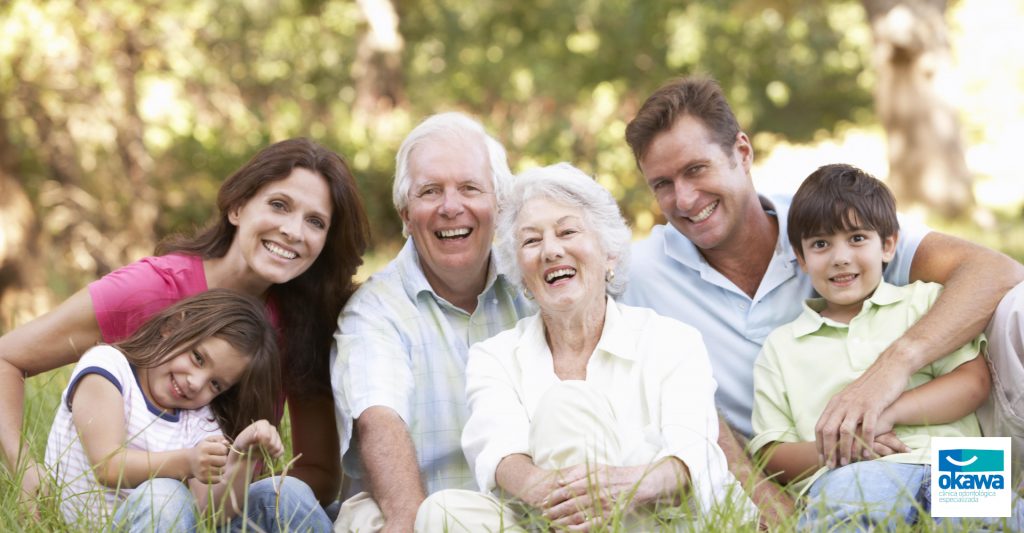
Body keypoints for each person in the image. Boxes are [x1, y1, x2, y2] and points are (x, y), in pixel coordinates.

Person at [621, 76, 1024, 519]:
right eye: (662, 184)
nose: (684, 198)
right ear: (800, 255)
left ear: (742, 153)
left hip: (954, 457)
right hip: (842, 471)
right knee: (855, 500)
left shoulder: (829, 220)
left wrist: (890, 374)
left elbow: (997, 272)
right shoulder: (636, 274)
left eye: (696, 169)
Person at [0, 138, 369, 531]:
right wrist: (23, 465)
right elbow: (7, 357)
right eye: (279, 205)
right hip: (135, 512)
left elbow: (317, 473)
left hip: (216, 507)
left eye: (316, 221)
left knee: (295, 499)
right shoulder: (150, 291)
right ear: (238, 207)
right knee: (164, 497)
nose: (293, 231)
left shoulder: (302, 320)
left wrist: (237, 474)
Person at [415, 163, 756, 532]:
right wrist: (556, 491)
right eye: (531, 241)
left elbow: (691, 456)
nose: (550, 250)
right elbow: (499, 452)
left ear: (609, 254)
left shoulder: (672, 340)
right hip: (549, 519)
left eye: (567, 231)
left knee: (567, 407)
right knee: (443, 512)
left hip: (658, 522)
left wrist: (623, 486)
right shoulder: (494, 357)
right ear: (521, 275)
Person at [750, 163, 1022, 529]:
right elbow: (772, 454)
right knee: (848, 512)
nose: (840, 256)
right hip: (854, 470)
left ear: (889, 245)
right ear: (801, 258)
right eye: (820, 244)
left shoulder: (925, 303)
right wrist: (843, 447)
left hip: (961, 458)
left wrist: (887, 414)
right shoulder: (781, 347)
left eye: (857, 238)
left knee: (998, 520)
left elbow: (972, 385)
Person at [330, 112, 533, 532]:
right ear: (406, 214)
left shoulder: (532, 289)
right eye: (430, 191)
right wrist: (411, 520)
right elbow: (379, 418)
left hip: (520, 512)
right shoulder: (376, 309)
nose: (451, 207)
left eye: (470, 188)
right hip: (411, 510)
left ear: (499, 203)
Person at [46, 289, 286, 530]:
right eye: (198, 358)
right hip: (85, 526)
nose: (196, 383)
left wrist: (244, 457)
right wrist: (188, 461)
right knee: (165, 496)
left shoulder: (200, 418)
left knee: (287, 494)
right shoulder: (108, 367)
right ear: (171, 327)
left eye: (215, 384)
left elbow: (209, 514)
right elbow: (107, 466)